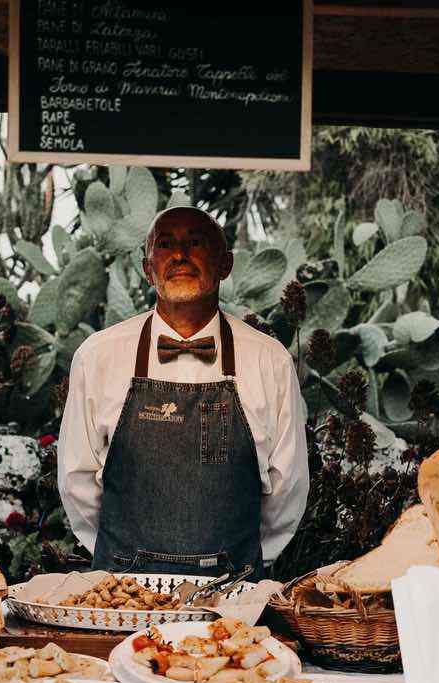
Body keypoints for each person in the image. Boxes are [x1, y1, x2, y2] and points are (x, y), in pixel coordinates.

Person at [58, 206, 309, 580]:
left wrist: (245, 560)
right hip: (121, 592)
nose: (179, 255)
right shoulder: (98, 356)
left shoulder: (269, 360)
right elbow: (76, 480)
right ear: (148, 268)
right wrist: (119, 558)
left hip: (231, 598)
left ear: (225, 264)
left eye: (195, 242)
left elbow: (288, 488)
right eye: (165, 244)